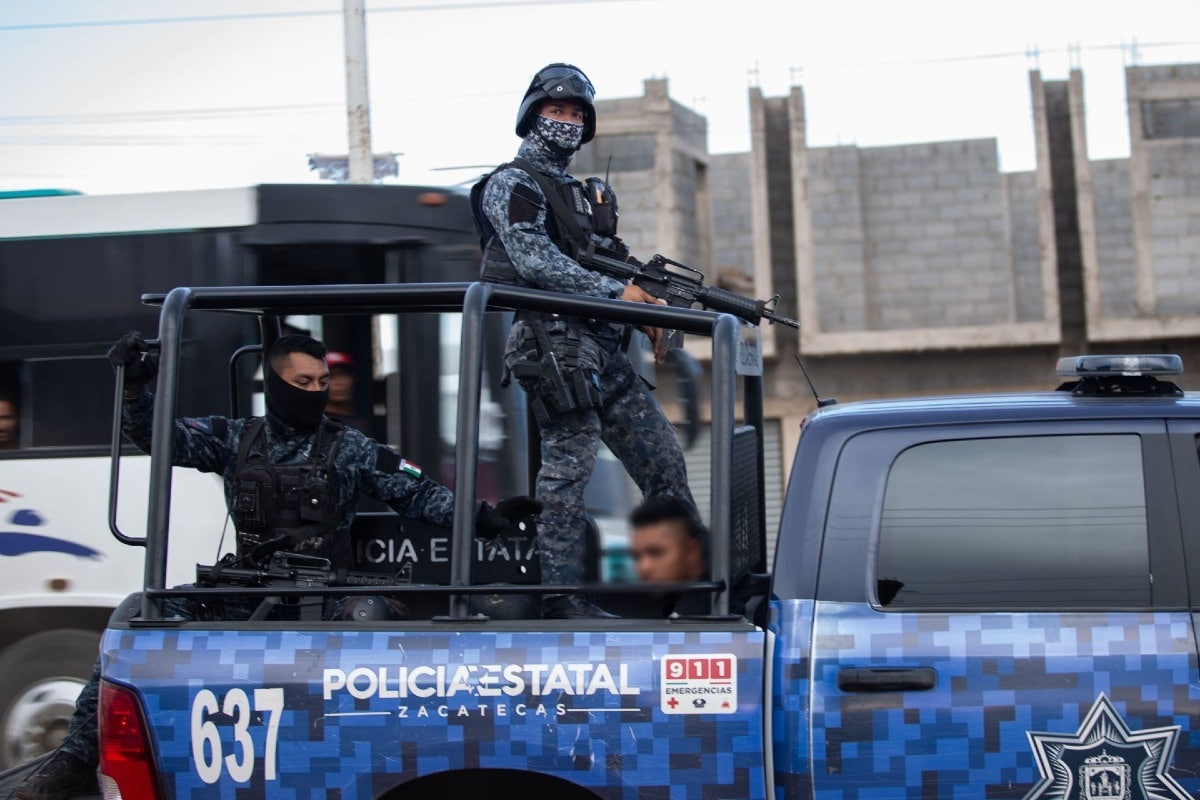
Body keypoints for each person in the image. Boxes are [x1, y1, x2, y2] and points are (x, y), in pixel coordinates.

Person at [15, 331, 540, 800]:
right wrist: (135, 391)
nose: (315, 390)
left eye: (322, 380)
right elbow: (160, 438)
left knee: (375, 628)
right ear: (276, 383)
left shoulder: (351, 447)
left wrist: (487, 518)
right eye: (302, 381)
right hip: (246, 589)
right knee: (140, 622)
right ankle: (75, 761)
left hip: (328, 594)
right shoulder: (233, 437)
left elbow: (418, 493)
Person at [471, 62, 696, 619]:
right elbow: (535, 260)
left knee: (664, 456)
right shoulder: (512, 184)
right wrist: (619, 294)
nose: (567, 122)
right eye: (557, 111)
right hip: (550, 342)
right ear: (531, 116)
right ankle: (560, 598)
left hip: (599, 346)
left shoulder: (582, 195)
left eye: (577, 115)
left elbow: (612, 262)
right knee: (570, 466)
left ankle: (686, 588)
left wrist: (647, 302)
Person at [629, 495, 710, 617]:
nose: (644, 567)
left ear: (692, 551)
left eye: (656, 553)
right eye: (637, 557)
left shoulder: (696, 622)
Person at [323, 350, 375, 435]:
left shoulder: (362, 421)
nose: (340, 382)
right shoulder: (317, 423)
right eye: (331, 376)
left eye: (345, 375)